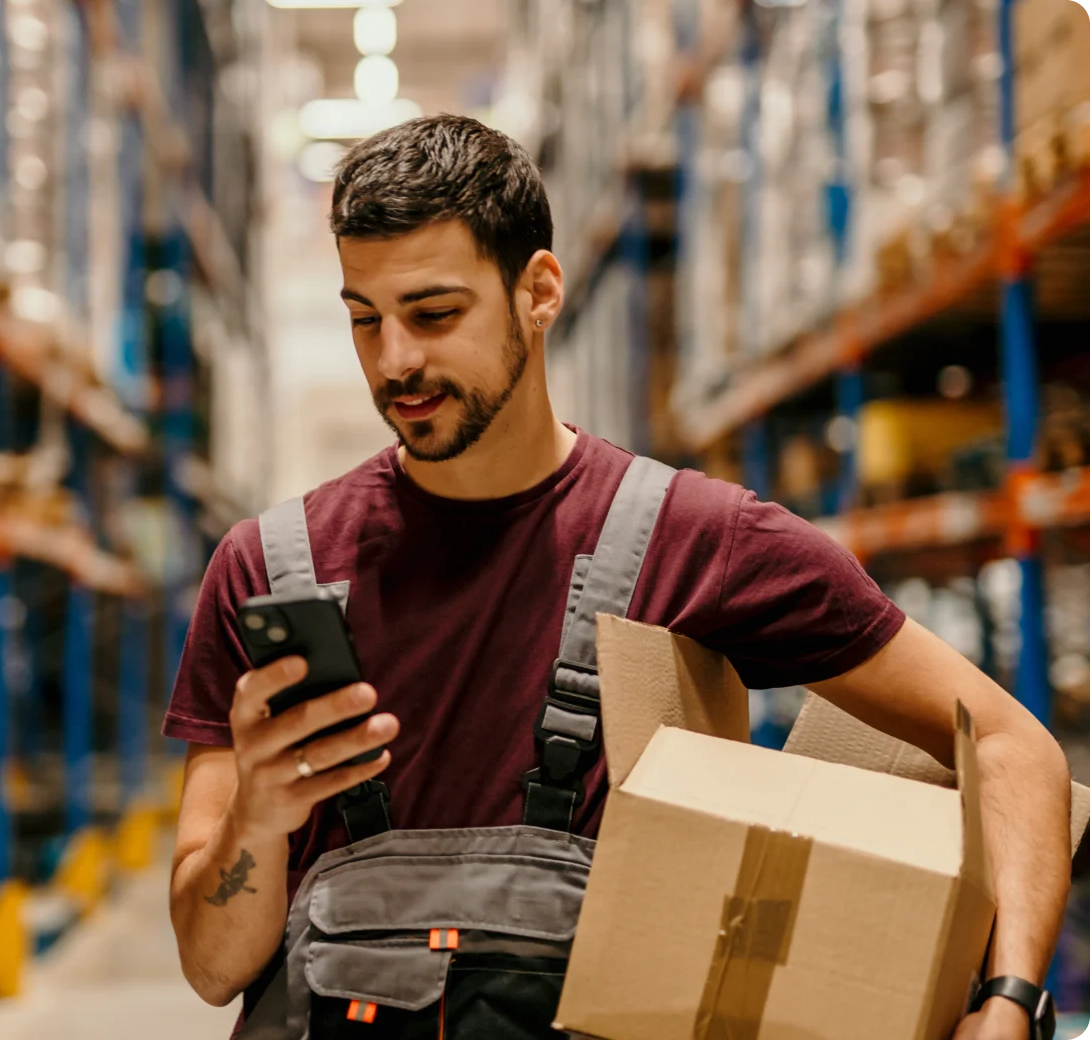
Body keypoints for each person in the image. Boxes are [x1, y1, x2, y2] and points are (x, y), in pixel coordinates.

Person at [163, 115, 1071, 1040]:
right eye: (365, 320)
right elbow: (212, 966)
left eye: (435, 315)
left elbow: (1011, 747)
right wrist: (258, 817)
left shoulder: (696, 540)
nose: (396, 361)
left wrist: (1008, 1004)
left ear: (540, 292)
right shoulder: (270, 567)